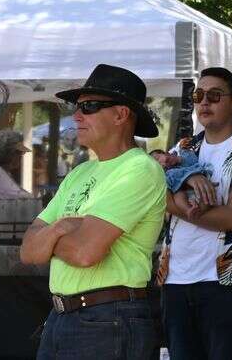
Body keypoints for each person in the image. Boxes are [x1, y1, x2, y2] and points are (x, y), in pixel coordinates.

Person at [21, 64, 164, 360]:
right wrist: (62, 228)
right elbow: (27, 251)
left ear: (121, 115)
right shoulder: (80, 172)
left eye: (89, 106)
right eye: (77, 106)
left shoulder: (140, 169)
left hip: (108, 318)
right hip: (64, 317)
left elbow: (86, 253)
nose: (76, 115)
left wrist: (50, 236)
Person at [158, 67, 232, 360]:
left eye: (214, 95)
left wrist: (178, 204)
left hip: (224, 283)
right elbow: (152, 187)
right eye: (198, 95)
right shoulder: (183, 148)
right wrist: (188, 178)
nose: (204, 102)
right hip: (175, 281)